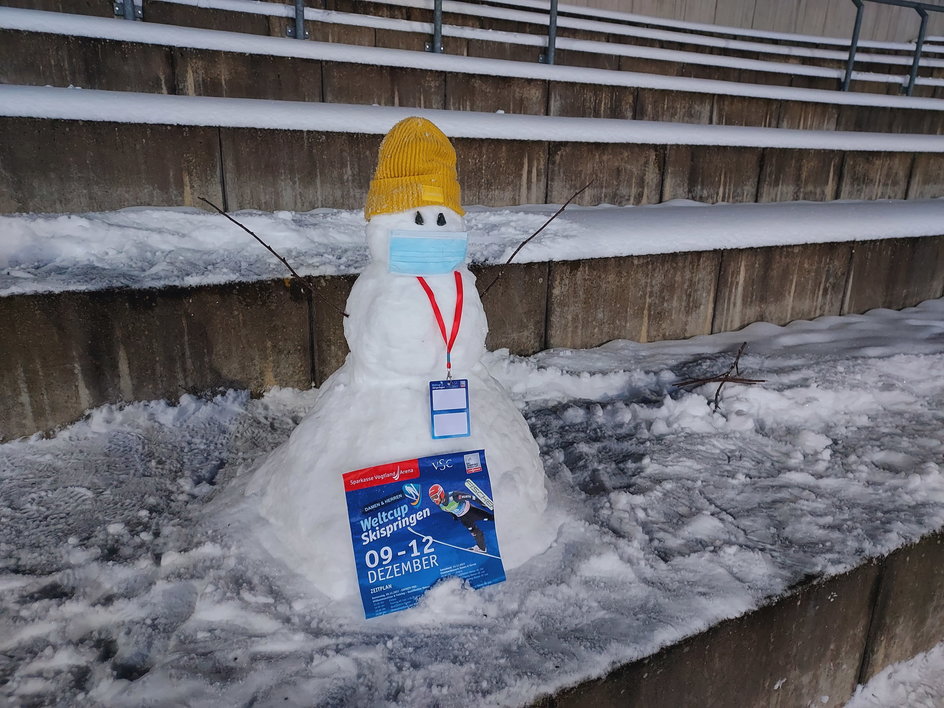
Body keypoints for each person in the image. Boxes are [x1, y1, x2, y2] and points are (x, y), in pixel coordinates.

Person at [428, 484, 494, 553]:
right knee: (475, 532)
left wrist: (482, 503)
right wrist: (454, 516)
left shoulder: (453, 496)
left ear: (440, 493)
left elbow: (470, 497)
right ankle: (482, 548)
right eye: (432, 498)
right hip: (463, 518)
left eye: (435, 497)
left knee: (489, 517)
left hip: (471, 511)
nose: (434, 500)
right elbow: (449, 510)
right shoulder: (440, 506)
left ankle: (499, 517)